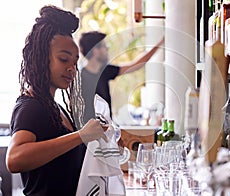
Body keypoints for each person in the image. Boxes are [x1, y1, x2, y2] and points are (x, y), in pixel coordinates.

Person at [5, 5, 108, 196]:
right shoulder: (31, 106)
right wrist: (81, 135)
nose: (71, 69)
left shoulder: (54, 106)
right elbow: (14, 159)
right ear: (42, 58)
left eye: (75, 63)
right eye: (63, 59)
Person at [79, 31, 164, 123]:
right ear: (95, 50)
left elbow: (135, 65)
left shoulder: (104, 71)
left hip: (104, 129)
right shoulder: (80, 78)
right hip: (88, 131)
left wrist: (160, 44)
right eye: (105, 46)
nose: (107, 50)